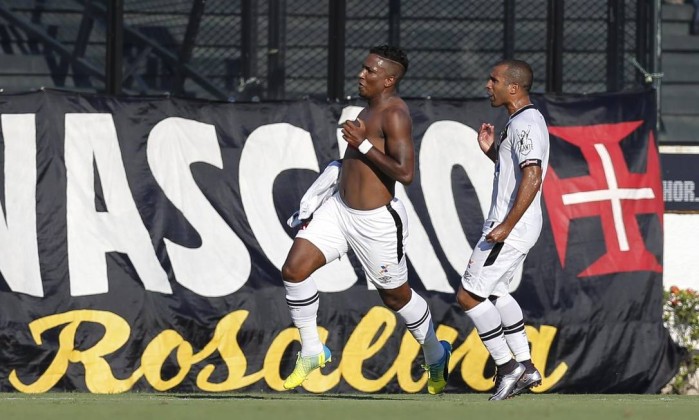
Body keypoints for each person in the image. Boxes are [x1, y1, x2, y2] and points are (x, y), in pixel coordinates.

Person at [281, 45, 451, 394]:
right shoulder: (366, 109)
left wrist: (362, 145)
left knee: (396, 297)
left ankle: (435, 352)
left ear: (388, 79)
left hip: (376, 222)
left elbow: (405, 173)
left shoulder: (395, 114)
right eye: (363, 68)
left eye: (370, 71)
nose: (361, 74)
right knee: (294, 270)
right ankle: (312, 350)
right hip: (339, 211)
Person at [455, 59, 549, 401]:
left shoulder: (527, 123)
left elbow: (533, 176)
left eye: (493, 80)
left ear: (513, 87)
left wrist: (507, 225)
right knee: (496, 293)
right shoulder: (521, 121)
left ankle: (508, 367)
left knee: (468, 296)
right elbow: (517, 171)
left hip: (511, 226)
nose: (488, 85)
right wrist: (493, 153)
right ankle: (527, 366)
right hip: (514, 225)